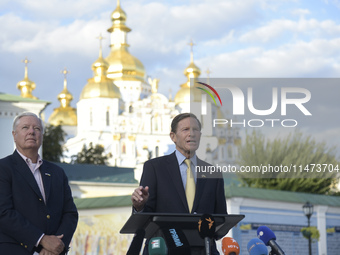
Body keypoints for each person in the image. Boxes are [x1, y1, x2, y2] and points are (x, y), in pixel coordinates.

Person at [131, 113, 227, 255]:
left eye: (195, 130)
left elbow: (221, 219)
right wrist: (139, 206)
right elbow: (145, 220)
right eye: (185, 130)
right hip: (164, 249)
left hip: (203, 251)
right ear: (173, 137)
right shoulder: (155, 167)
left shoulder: (213, 173)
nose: (191, 134)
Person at [0, 112, 78, 255]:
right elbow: (4, 212)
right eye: (25, 127)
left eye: (37, 128)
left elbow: (70, 213)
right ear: (14, 135)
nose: (31, 132)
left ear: (42, 135)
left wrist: (57, 245)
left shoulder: (57, 173)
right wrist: (41, 239)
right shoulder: (4, 168)